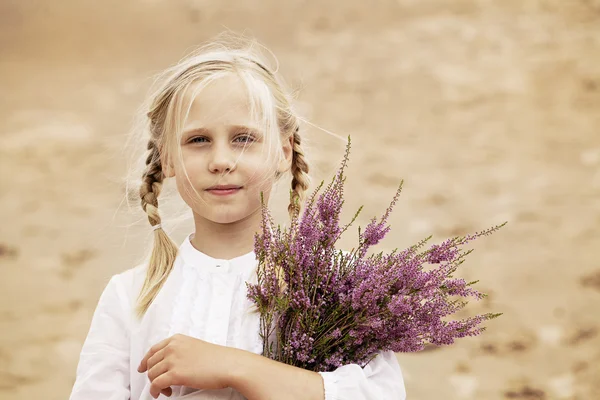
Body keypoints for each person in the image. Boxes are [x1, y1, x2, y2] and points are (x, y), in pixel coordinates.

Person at [69, 35, 407, 400]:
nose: (220, 160)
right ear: (167, 159)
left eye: (243, 138)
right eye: (198, 140)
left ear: (282, 151)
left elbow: (380, 393)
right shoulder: (130, 296)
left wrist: (236, 367)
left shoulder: (331, 285)